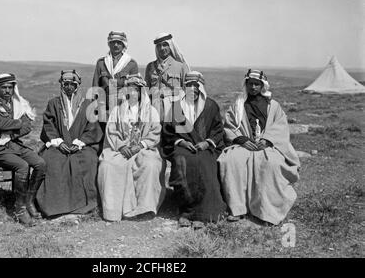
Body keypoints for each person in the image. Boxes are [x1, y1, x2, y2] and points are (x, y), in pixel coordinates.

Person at [218, 69, 300, 225]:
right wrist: (241, 139)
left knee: (270, 164)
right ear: (246, 84)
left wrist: (267, 140)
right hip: (244, 144)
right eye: (250, 84)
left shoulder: (273, 105)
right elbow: (228, 126)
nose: (253, 87)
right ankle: (237, 208)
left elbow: (281, 126)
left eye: (257, 84)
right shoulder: (238, 104)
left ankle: (266, 210)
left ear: (263, 85)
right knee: (231, 161)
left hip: (266, 146)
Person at [161, 71, 226, 228]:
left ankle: (206, 213)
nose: (192, 89)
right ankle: (187, 211)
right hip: (184, 147)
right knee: (183, 161)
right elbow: (168, 132)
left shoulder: (211, 106)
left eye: (196, 86)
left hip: (205, 147)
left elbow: (218, 131)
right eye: (189, 86)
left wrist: (207, 143)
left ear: (201, 88)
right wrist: (181, 142)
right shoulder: (177, 106)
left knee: (204, 163)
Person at [0, 73, 46, 226]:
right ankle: (19, 208)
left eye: (10, 87)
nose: (7, 90)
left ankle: (29, 201)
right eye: (4, 87)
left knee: (40, 164)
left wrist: (11, 126)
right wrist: (18, 123)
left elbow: (27, 126)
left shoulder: (18, 104)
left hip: (13, 145)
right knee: (22, 166)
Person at [36, 70, 103, 218]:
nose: (68, 87)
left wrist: (80, 143)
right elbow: (49, 126)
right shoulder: (53, 103)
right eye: (65, 84)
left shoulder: (88, 104)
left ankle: (85, 203)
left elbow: (92, 128)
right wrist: (58, 143)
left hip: (81, 145)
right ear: (61, 85)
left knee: (89, 160)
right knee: (51, 161)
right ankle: (53, 205)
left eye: (72, 84)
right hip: (59, 145)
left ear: (78, 86)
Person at [97, 73, 165, 222]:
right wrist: (121, 147)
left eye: (136, 89)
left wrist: (141, 145)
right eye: (130, 89)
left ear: (141, 92)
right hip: (121, 150)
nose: (133, 92)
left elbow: (155, 133)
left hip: (143, 149)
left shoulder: (151, 111)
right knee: (107, 165)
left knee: (150, 164)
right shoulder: (117, 110)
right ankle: (113, 211)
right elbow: (112, 132)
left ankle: (145, 208)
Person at [92, 31, 139, 118]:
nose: (116, 45)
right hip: (104, 106)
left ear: (124, 44)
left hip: (124, 107)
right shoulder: (101, 63)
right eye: (113, 42)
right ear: (109, 44)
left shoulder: (131, 63)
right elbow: (95, 87)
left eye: (119, 43)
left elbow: (134, 89)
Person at [144, 33, 190, 121]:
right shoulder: (150, 67)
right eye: (159, 46)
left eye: (165, 45)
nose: (162, 48)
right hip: (155, 112)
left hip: (174, 112)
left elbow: (187, 92)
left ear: (170, 46)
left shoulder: (181, 66)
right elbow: (146, 91)